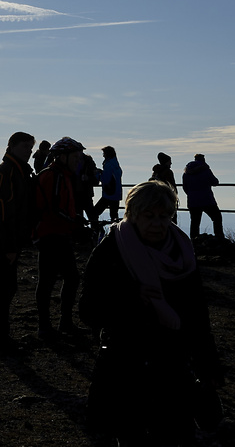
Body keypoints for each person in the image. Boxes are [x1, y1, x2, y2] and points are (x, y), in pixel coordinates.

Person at [79, 180, 222, 447]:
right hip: (125, 366)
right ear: (132, 214)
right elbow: (88, 310)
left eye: (164, 216)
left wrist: (208, 364)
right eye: (149, 216)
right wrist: (133, 299)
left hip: (173, 366)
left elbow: (196, 314)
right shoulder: (111, 251)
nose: (158, 223)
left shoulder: (183, 252)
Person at [0, 132, 36, 355]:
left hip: (3, 240)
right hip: (1, 242)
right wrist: (10, 246)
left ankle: (2, 337)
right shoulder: (6, 173)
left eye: (30, 148)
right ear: (12, 146)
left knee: (7, 287)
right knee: (5, 288)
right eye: (25, 147)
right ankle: (1, 339)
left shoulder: (17, 172)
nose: (29, 152)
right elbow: (3, 212)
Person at [33, 137, 87, 343]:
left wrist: (75, 219)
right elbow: (53, 209)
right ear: (62, 157)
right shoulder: (55, 176)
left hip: (55, 233)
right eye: (75, 157)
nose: (78, 161)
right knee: (54, 280)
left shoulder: (61, 175)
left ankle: (56, 324)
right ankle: (48, 327)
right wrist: (75, 222)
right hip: (51, 234)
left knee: (62, 278)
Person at [181, 154, 223, 241]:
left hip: (192, 200)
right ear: (203, 160)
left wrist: (191, 194)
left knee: (195, 222)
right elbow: (215, 182)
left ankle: (193, 240)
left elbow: (185, 188)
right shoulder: (205, 170)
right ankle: (219, 237)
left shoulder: (186, 173)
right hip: (207, 199)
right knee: (217, 217)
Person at [92, 145, 123, 225]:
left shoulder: (108, 165)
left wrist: (97, 174)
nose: (103, 155)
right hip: (116, 194)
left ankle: (95, 230)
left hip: (109, 194)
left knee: (95, 212)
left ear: (107, 154)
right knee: (114, 216)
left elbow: (105, 179)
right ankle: (116, 234)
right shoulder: (115, 164)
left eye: (104, 153)